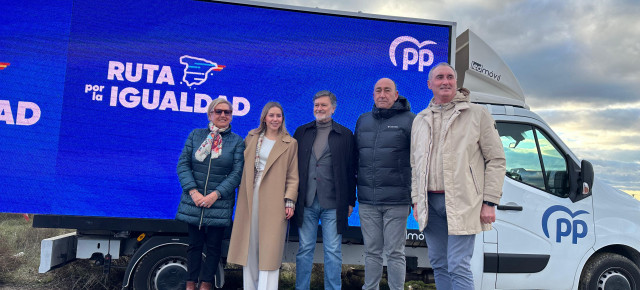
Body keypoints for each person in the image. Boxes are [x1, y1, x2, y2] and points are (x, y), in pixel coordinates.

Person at [411, 63, 506, 290]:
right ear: (429, 84)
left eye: (450, 77)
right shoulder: (420, 120)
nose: (446, 81)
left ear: (456, 82)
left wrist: (489, 201)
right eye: (440, 77)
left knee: (457, 265)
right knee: (439, 264)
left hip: (463, 203)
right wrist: (416, 199)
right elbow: (415, 164)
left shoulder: (477, 114)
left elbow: (496, 160)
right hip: (430, 205)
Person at [227, 102, 299, 290]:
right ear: (264, 118)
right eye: (271, 115)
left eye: (279, 116)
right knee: (249, 246)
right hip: (250, 197)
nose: (275, 119)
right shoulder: (251, 138)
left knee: (270, 250)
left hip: (275, 200)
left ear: (282, 119)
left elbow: (293, 175)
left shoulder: (290, 143)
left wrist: (289, 200)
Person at [176, 97, 245, 290]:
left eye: (227, 112)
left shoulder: (237, 141)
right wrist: (194, 192)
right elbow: (183, 165)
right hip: (194, 202)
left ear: (231, 116)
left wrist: (215, 195)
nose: (223, 115)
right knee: (194, 247)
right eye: (219, 111)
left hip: (219, 203)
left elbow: (237, 173)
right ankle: (191, 284)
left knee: (214, 248)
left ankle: (206, 284)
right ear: (210, 114)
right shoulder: (195, 135)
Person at [355, 78, 415, 290]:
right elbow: (356, 159)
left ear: (395, 95)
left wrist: (414, 198)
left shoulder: (410, 120)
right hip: (367, 202)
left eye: (387, 90)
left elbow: (418, 161)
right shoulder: (363, 120)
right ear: (373, 95)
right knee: (372, 251)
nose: (382, 94)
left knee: (395, 252)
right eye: (378, 90)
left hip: (396, 201)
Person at [293, 90, 356, 290]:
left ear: (333, 109)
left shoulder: (345, 135)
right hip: (306, 201)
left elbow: (351, 170)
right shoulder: (301, 132)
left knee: (333, 251)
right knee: (304, 250)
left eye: (323, 105)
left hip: (334, 203)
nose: (319, 109)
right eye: (316, 105)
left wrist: (350, 201)